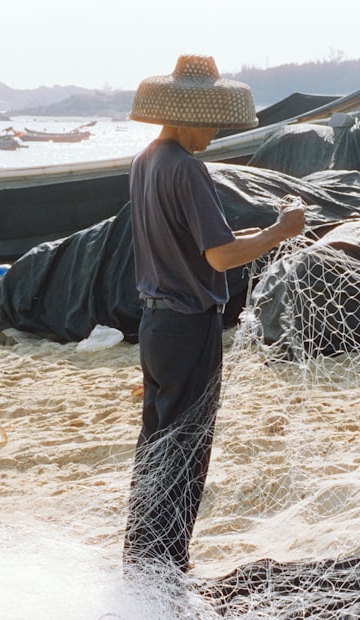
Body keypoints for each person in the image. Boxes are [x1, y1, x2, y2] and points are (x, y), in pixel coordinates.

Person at [122, 54, 306, 574]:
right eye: (211, 121)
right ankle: (168, 567)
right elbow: (220, 256)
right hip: (187, 324)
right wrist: (280, 230)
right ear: (184, 114)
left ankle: (141, 560)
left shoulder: (144, 161)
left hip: (154, 326)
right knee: (185, 451)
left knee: (155, 444)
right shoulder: (186, 167)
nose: (215, 132)